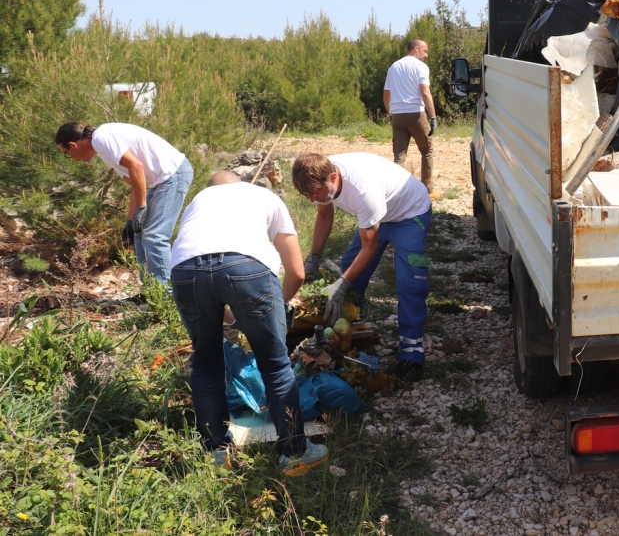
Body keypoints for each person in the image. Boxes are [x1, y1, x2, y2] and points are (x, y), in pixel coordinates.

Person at [169, 171, 329, 476]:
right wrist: (276, 308)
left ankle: (215, 452)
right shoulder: (265, 196)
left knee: (205, 362)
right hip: (246, 268)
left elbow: (210, 278)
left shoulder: (198, 201)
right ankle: (295, 452)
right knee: (275, 363)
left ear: (211, 186)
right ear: (241, 182)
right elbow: (297, 271)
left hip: (185, 272)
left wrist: (236, 318)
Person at [291, 152, 431, 383]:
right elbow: (325, 215)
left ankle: (411, 354)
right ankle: (353, 335)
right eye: (308, 194)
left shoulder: (363, 191)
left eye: (315, 193)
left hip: (409, 213)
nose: (312, 199)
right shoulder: (321, 176)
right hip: (377, 213)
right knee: (350, 267)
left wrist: (341, 284)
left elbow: (370, 248)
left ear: (333, 178)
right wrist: (313, 259)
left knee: (410, 280)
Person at [55, 122, 194, 286]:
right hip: (162, 180)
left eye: (67, 153)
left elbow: (136, 166)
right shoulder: (102, 149)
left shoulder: (101, 137)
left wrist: (141, 207)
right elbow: (135, 181)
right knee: (139, 233)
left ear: (73, 145)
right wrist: (130, 221)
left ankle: (164, 294)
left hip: (173, 174)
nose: (70, 158)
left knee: (155, 235)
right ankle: (149, 292)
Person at [384, 38, 438, 197]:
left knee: (399, 155)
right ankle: (427, 190)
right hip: (416, 114)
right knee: (427, 150)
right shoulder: (421, 67)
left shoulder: (393, 67)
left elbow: (386, 95)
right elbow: (425, 92)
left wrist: (390, 112)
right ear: (416, 49)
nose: (426, 55)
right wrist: (433, 116)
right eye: (425, 51)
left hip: (398, 116)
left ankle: (396, 192)